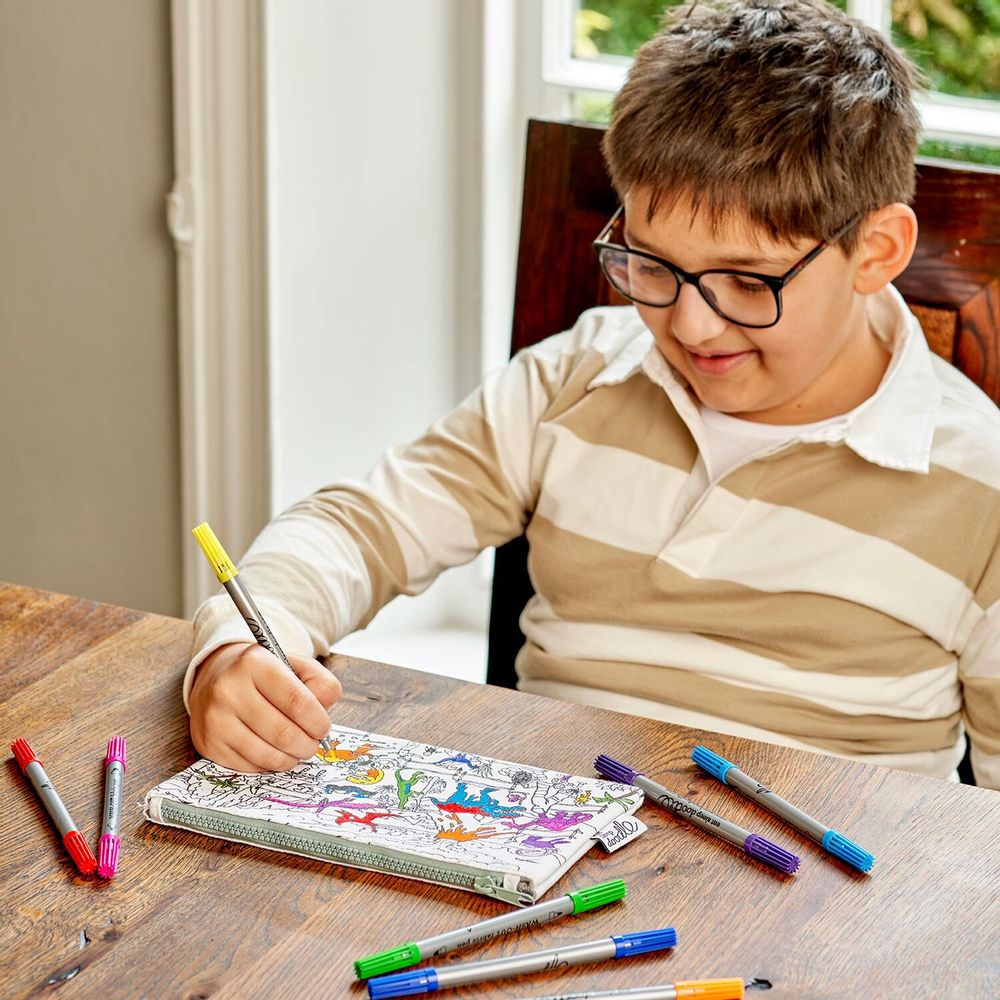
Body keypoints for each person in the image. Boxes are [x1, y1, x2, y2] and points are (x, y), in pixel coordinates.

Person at [186, 0, 1000, 789]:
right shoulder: (575, 378)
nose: (691, 327)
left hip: (830, 896)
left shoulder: (981, 485)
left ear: (878, 249)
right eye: (651, 265)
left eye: (749, 283)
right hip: (549, 858)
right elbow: (356, 530)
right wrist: (237, 651)